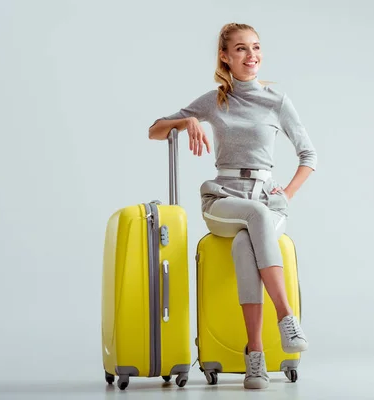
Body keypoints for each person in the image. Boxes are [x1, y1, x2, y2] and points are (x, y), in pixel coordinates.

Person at [148, 22, 317, 389]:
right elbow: (155, 130)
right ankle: (286, 316)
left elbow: (309, 154)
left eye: (255, 47)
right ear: (225, 56)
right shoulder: (215, 100)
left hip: (265, 199)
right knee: (253, 216)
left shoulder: (277, 101)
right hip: (222, 199)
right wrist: (188, 119)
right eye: (240, 49)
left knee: (246, 242)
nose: (251, 55)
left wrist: (285, 193)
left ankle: (254, 355)